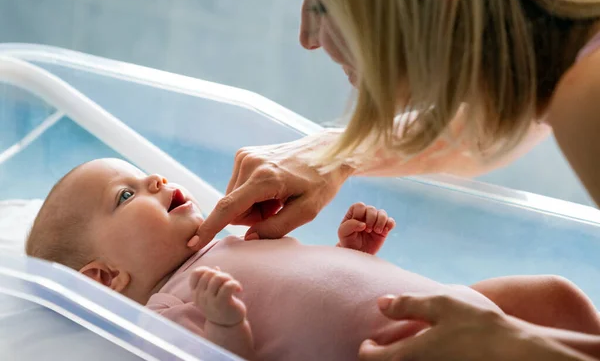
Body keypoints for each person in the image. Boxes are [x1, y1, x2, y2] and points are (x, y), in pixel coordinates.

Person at [186, 0, 600, 360]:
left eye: (323, 4)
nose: (308, 37)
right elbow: (494, 127)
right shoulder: (569, 69)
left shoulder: (588, 97)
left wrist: (519, 347)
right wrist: (337, 156)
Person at [26, 158, 600, 360]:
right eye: (126, 196)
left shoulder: (237, 244)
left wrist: (354, 252)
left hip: (443, 309)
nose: (154, 177)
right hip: (402, 351)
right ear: (104, 278)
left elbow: (319, 289)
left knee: (555, 295)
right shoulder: (169, 306)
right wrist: (225, 325)